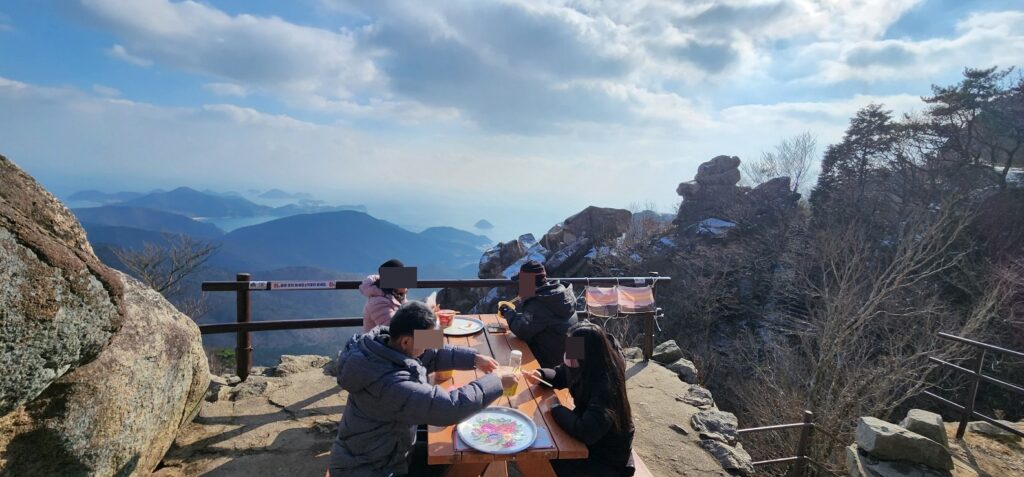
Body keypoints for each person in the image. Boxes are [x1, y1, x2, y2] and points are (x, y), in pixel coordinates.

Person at [329, 302, 517, 477]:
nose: (430, 345)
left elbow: (432, 354)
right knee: (454, 456)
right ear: (405, 341)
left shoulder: (384, 345)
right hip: (371, 468)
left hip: (382, 448)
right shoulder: (390, 384)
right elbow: (449, 408)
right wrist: (496, 381)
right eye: (426, 339)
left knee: (450, 447)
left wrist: (474, 358)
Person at [526, 322, 635, 477]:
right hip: (592, 439)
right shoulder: (588, 363)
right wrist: (541, 375)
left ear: (588, 352)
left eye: (573, 348)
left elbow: (586, 432)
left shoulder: (606, 386)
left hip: (606, 459)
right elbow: (562, 374)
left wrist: (556, 408)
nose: (568, 354)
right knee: (542, 445)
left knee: (541, 455)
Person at [498, 260, 578, 368]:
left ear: (528, 282)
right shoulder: (561, 296)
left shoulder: (539, 304)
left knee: (505, 356)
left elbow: (522, 330)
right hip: (569, 359)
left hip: (549, 363)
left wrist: (508, 312)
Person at [360, 258, 408, 332]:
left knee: (430, 338)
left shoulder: (398, 297)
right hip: (384, 342)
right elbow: (396, 331)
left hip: (399, 340)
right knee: (430, 340)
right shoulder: (379, 302)